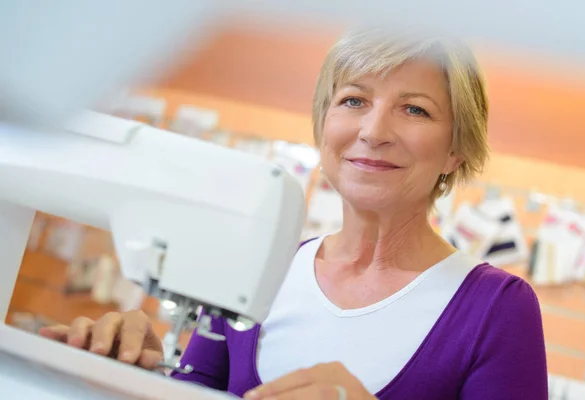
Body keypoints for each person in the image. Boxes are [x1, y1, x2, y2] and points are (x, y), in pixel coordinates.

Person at [39, 28, 548, 399]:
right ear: (324, 125)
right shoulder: (257, 274)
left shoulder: (497, 309)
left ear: (456, 149)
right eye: (353, 100)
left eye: (414, 109)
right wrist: (134, 376)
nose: (373, 130)